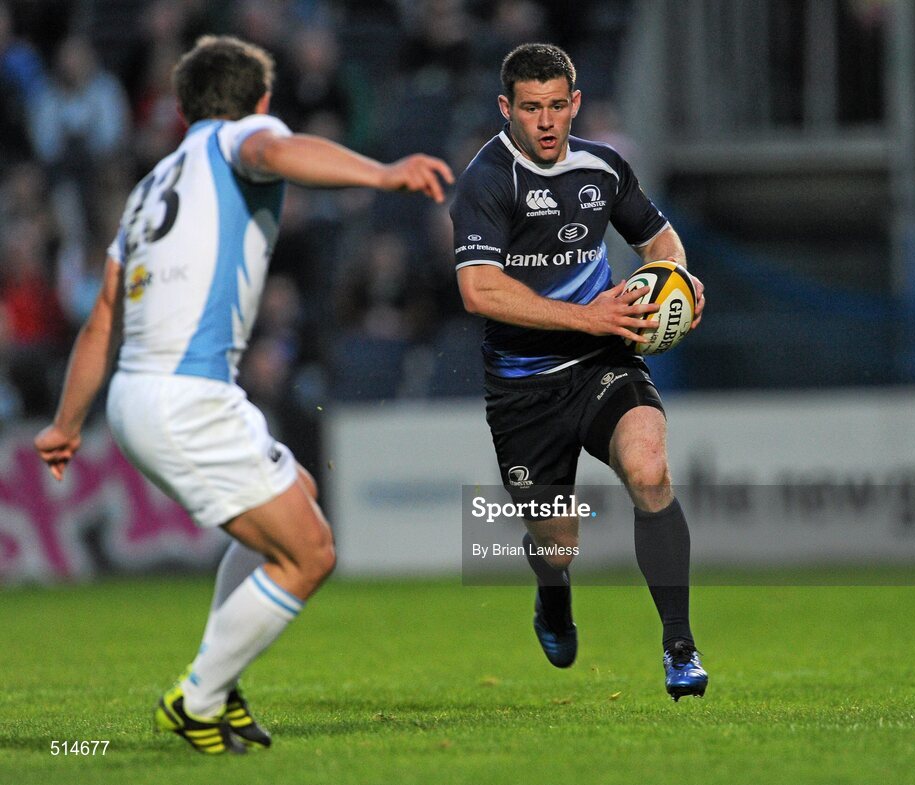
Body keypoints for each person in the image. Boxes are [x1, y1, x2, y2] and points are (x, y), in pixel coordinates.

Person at [34, 35, 453, 754]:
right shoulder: (243, 135)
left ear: (182, 106)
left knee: (294, 502)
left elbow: (104, 314)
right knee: (311, 553)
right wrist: (383, 175)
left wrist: (68, 422)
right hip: (184, 396)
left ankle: (217, 688)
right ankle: (197, 697)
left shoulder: (149, 187)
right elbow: (271, 154)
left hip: (141, 394)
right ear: (260, 101)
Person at [449, 43, 708, 699]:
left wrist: (675, 281)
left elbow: (659, 240)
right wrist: (586, 316)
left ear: (575, 104)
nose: (545, 122)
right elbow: (479, 290)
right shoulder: (486, 181)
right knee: (557, 546)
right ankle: (553, 594)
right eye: (530, 108)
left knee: (649, 466)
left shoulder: (603, 167)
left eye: (557, 106)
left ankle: (680, 647)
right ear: (506, 107)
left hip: (604, 361)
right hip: (523, 386)